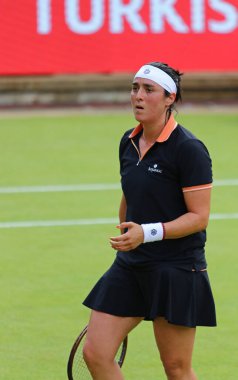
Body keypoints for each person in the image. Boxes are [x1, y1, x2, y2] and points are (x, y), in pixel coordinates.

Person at [82, 62, 216, 380]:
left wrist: (147, 232)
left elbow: (199, 217)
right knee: (96, 354)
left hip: (176, 268)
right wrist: (129, 234)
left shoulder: (189, 149)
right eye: (134, 88)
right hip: (132, 263)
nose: (138, 96)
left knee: (176, 368)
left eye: (148, 90)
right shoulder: (127, 142)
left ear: (169, 98)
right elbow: (130, 194)